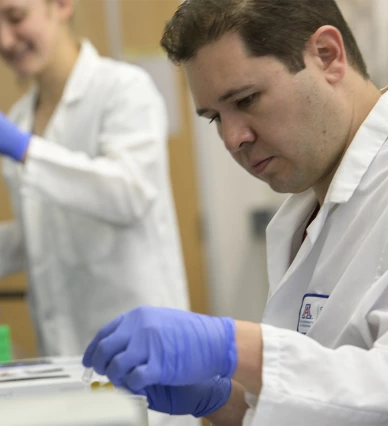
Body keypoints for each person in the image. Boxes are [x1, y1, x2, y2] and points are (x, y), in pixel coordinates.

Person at [82, 0, 388, 425]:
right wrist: (222, 400)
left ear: (327, 56)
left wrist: (234, 346)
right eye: (214, 118)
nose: (232, 139)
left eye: (246, 99)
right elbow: (323, 405)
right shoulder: (306, 210)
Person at [0, 0, 190, 403]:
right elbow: (54, 229)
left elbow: (130, 193)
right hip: (64, 355)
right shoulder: (21, 116)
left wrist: (26, 150)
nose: (4, 39)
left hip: (140, 350)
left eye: (16, 18)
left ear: (61, 5)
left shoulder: (123, 89)